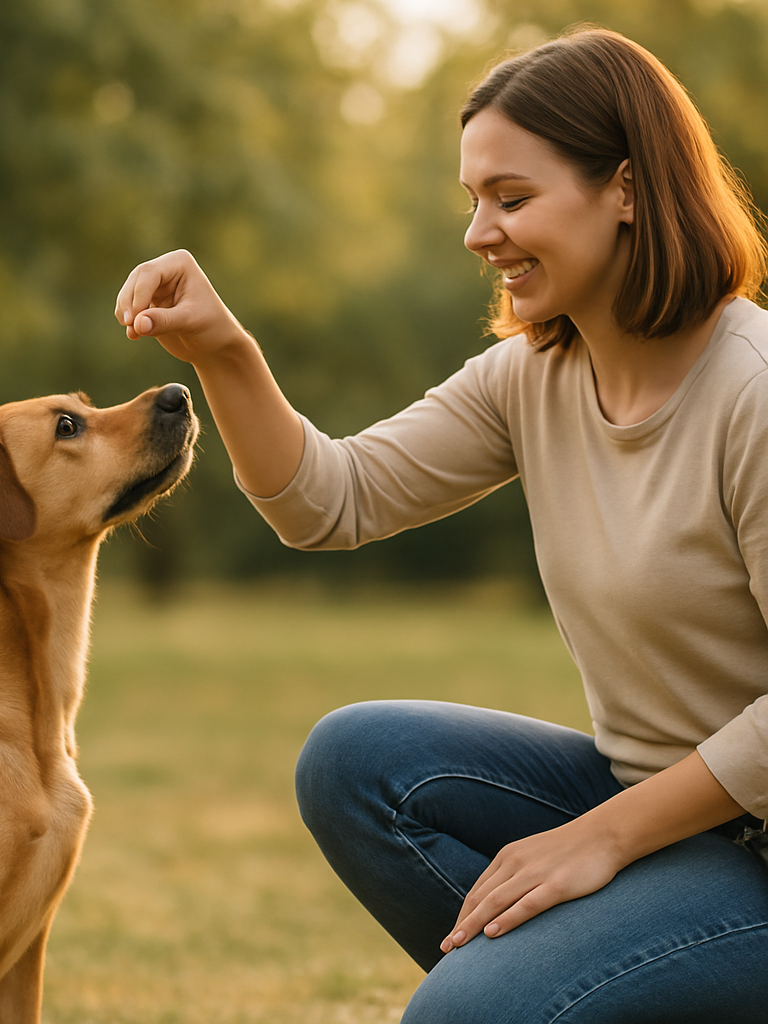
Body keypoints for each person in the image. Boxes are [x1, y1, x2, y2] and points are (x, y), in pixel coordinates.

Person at [115, 26, 768, 1023]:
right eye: (473, 201)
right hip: (659, 810)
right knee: (358, 764)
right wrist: (224, 350)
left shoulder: (749, 390)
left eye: (511, 198)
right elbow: (328, 501)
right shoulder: (533, 378)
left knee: (461, 1015)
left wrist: (602, 838)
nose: (478, 232)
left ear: (626, 190)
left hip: (751, 848)